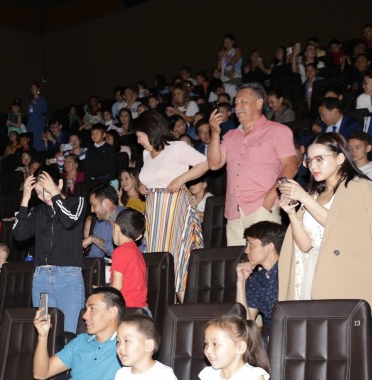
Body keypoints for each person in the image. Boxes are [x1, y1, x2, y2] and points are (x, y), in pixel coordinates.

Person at [278, 133, 372, 306]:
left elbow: (343, 228)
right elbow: (305, 246)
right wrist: (291, 213)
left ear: (340, 158)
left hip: (343, 271)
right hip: (312, 270)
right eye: (309, 160)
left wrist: (303, 197)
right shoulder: (315, 194)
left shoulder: (358, 186)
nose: (312, 166)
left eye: (319, 159)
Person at [207, 82, 298, 246]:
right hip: (234, 213)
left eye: (243, 101)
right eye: (236, 103)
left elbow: (291, 166)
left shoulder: (278, 130)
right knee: (239, 261)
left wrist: (271, 197)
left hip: (261, 208)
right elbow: (214, 164)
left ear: (259, 103)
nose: (237, 106)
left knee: (266, 260)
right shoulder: (230, 136)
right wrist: (215, 133)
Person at [135, 110, 208, 299]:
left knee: (178, 259)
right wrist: (142, 186)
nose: (138, 140)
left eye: (140, 135)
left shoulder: (176, 148)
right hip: (155, 214)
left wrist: (181, 179)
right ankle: (167, 309)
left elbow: (204, 163)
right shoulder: (146, 154)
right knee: (160, 261)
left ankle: (188, 308)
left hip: (175, 209)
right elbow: (150, 177)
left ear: (150, 131)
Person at [13, 164, 86, 333]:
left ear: (59, 183)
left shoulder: (77, 202)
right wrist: (25, 199)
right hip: (41, 278)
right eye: (39, 193)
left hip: (69, 278)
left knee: (69, 333)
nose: (44, 196)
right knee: (45, 334)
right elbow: (19, 234)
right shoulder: (38, 212)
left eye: (47, 189)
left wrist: (55, 195)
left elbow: (69, 221)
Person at [235, 221, 285, 348]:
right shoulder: (256, 279)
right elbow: (246, 323)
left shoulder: (291, 273)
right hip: (268, 340)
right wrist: (241, 282)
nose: (246, 251)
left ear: (269, 247)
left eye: (251, 244)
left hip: (292, 334)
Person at [110, 209, 149, 312]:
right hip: (142, 311)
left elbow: (117, 286)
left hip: (127, 311)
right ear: (139, 237)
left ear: (116, 227)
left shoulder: (120, 251)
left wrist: (104, 298)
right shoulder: (137, 252)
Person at [84, 184, 124, 260]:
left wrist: (94, 239)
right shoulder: (100, 223)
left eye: (94, 205)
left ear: (107, 203)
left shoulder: (128, 217)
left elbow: (125, 253)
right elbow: (95, 255)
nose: (92, 210)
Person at [27, 83, 48, 151]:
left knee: (39, 139)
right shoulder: (30, 100)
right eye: (31, 88)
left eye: (34, 88)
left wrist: (35, 103)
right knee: (31, 139)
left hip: (38, 122)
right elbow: (29, 112)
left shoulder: (42, 99)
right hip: (31, 122)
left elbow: (44, 110)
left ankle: (41, 153)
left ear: (38, 89)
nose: (32, 89)